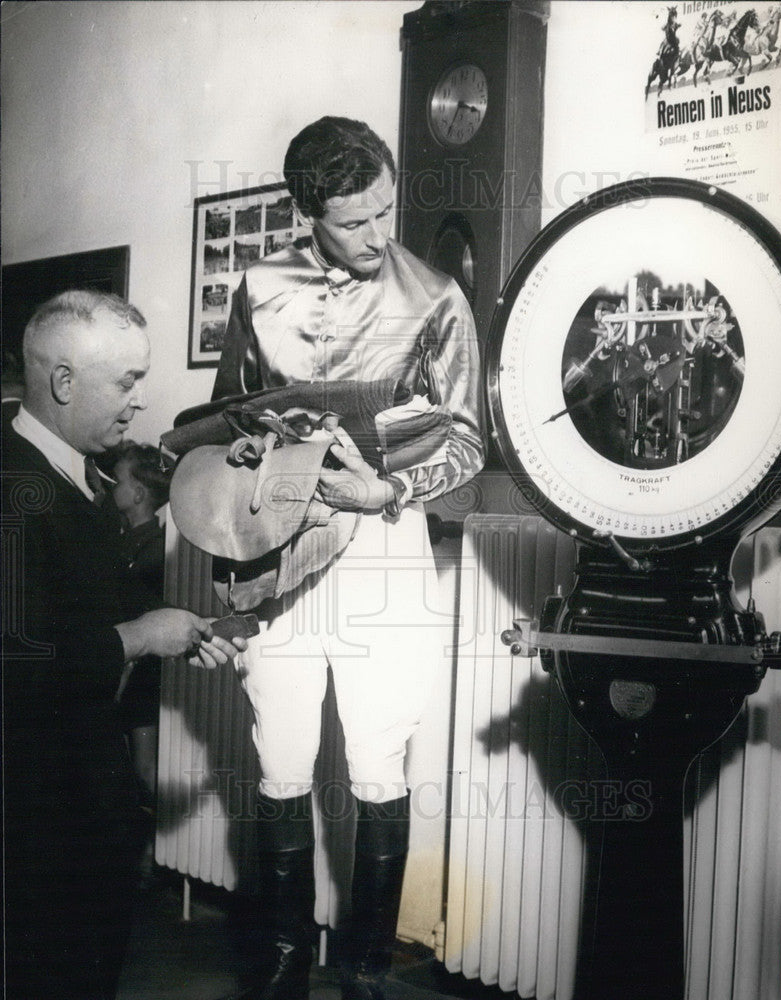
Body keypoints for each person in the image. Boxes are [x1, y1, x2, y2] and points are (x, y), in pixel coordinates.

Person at [212, 116, 485, 1000]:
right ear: (307, 212)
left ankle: (365, 967)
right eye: (353, 222)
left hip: (382, 544)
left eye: (384, 212)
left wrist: (389, 494)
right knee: (280, 756)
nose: (376, 236)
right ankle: (287, 958)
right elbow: (225, 416)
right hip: (280, 544)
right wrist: (251, 446)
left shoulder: (437, 295)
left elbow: (469, 443)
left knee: (377, 763)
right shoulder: (256, 286)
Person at [2, 289, 247, 1000]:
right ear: (64, 383)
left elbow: (78, 596)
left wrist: (169, 622)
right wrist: (139, 635)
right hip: (33, 816)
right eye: (127, 382)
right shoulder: (12, 486)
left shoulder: (74, 473)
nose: (138, 401)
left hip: (79, 799)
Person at [110, 442, 172, 811]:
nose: (110, 487)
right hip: (127, 669)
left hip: (142, 677)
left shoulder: (154, 548)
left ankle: (158, 849)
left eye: (116, 481)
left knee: (145, 769)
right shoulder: (127, 540)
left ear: (136, 493)